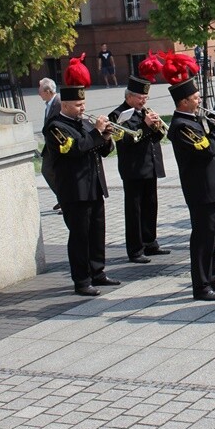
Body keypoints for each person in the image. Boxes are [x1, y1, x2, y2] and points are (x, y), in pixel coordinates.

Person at [167, 59, 215, 301]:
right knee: (203, 237)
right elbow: (207, 149)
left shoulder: (192, 120)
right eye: (195, 98)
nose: (199, 101)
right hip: (199, 188)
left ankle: (213, 276)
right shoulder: (181, 126)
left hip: (211, 186)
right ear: (183, 101)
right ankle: (201, 285)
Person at [45, 81, 118, 296]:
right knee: (80, 236)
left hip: (93, 186)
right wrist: (96, 132)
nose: (83, 108)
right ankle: (82, 280)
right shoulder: (55, 127)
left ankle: (97, 272)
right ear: (65, 105)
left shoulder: (84, 124)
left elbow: (100, 152)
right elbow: (74, 149)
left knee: (97, 232)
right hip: (74, 191)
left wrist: (105, 137)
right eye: (78, 105)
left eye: (83, 103)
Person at [108, 76, 169, 264]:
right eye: (141, 97)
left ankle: (150, 242)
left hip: (150, 165)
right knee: (135, 210)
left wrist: (156, 126)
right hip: (133, 169)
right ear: (129, 97)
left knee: (151, 205)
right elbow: (126, 141)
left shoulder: (145, 112)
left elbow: (156, 137)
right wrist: (145, 125)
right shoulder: (117, 115)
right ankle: (135, 249)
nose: (144, 101)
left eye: (146, 98)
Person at [38, 77, 61, 209]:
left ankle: (65, 199)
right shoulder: (49, 104)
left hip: (58, 146)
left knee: (53, 171)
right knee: (46, 170)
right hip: (50, 146)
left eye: (40, 90)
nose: (38, 93)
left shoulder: (58, 103)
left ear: (47, 91)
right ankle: (62, 197)